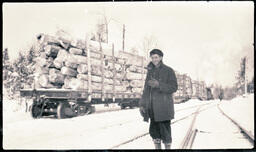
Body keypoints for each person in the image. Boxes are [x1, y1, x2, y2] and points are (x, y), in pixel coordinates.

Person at [139, 49, 178, 149]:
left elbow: (174, 87)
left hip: (164, 108)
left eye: (156, 57)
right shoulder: (150, 71)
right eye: (152, 58)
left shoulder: (168, 70)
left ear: (161, 57)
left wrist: (159, 85)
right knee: (154, 134)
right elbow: (146, 90)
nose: (154, 60)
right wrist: (142, 104)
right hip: (152, 109)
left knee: (165, 134)